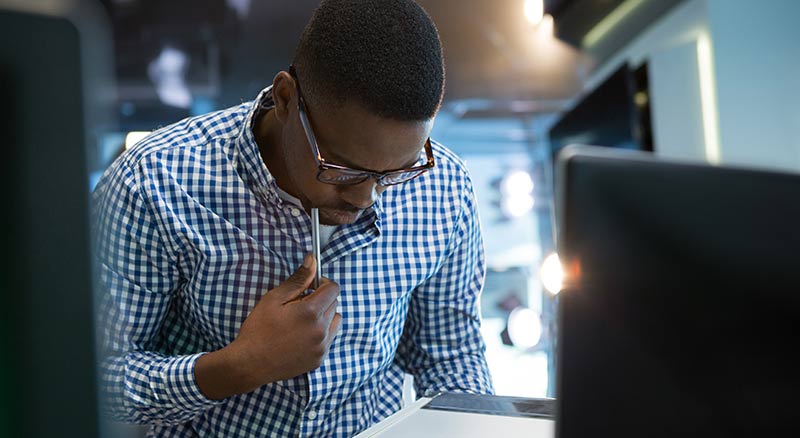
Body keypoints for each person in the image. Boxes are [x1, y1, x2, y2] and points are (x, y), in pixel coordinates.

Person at [93, 0, 494, 436]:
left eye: (398, 170)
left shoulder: (444, 188)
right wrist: (240, 366)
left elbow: (451, 353)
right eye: (341, 168)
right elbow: (91, 384)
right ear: (286, 98)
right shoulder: (154, 183)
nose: (366, 196)